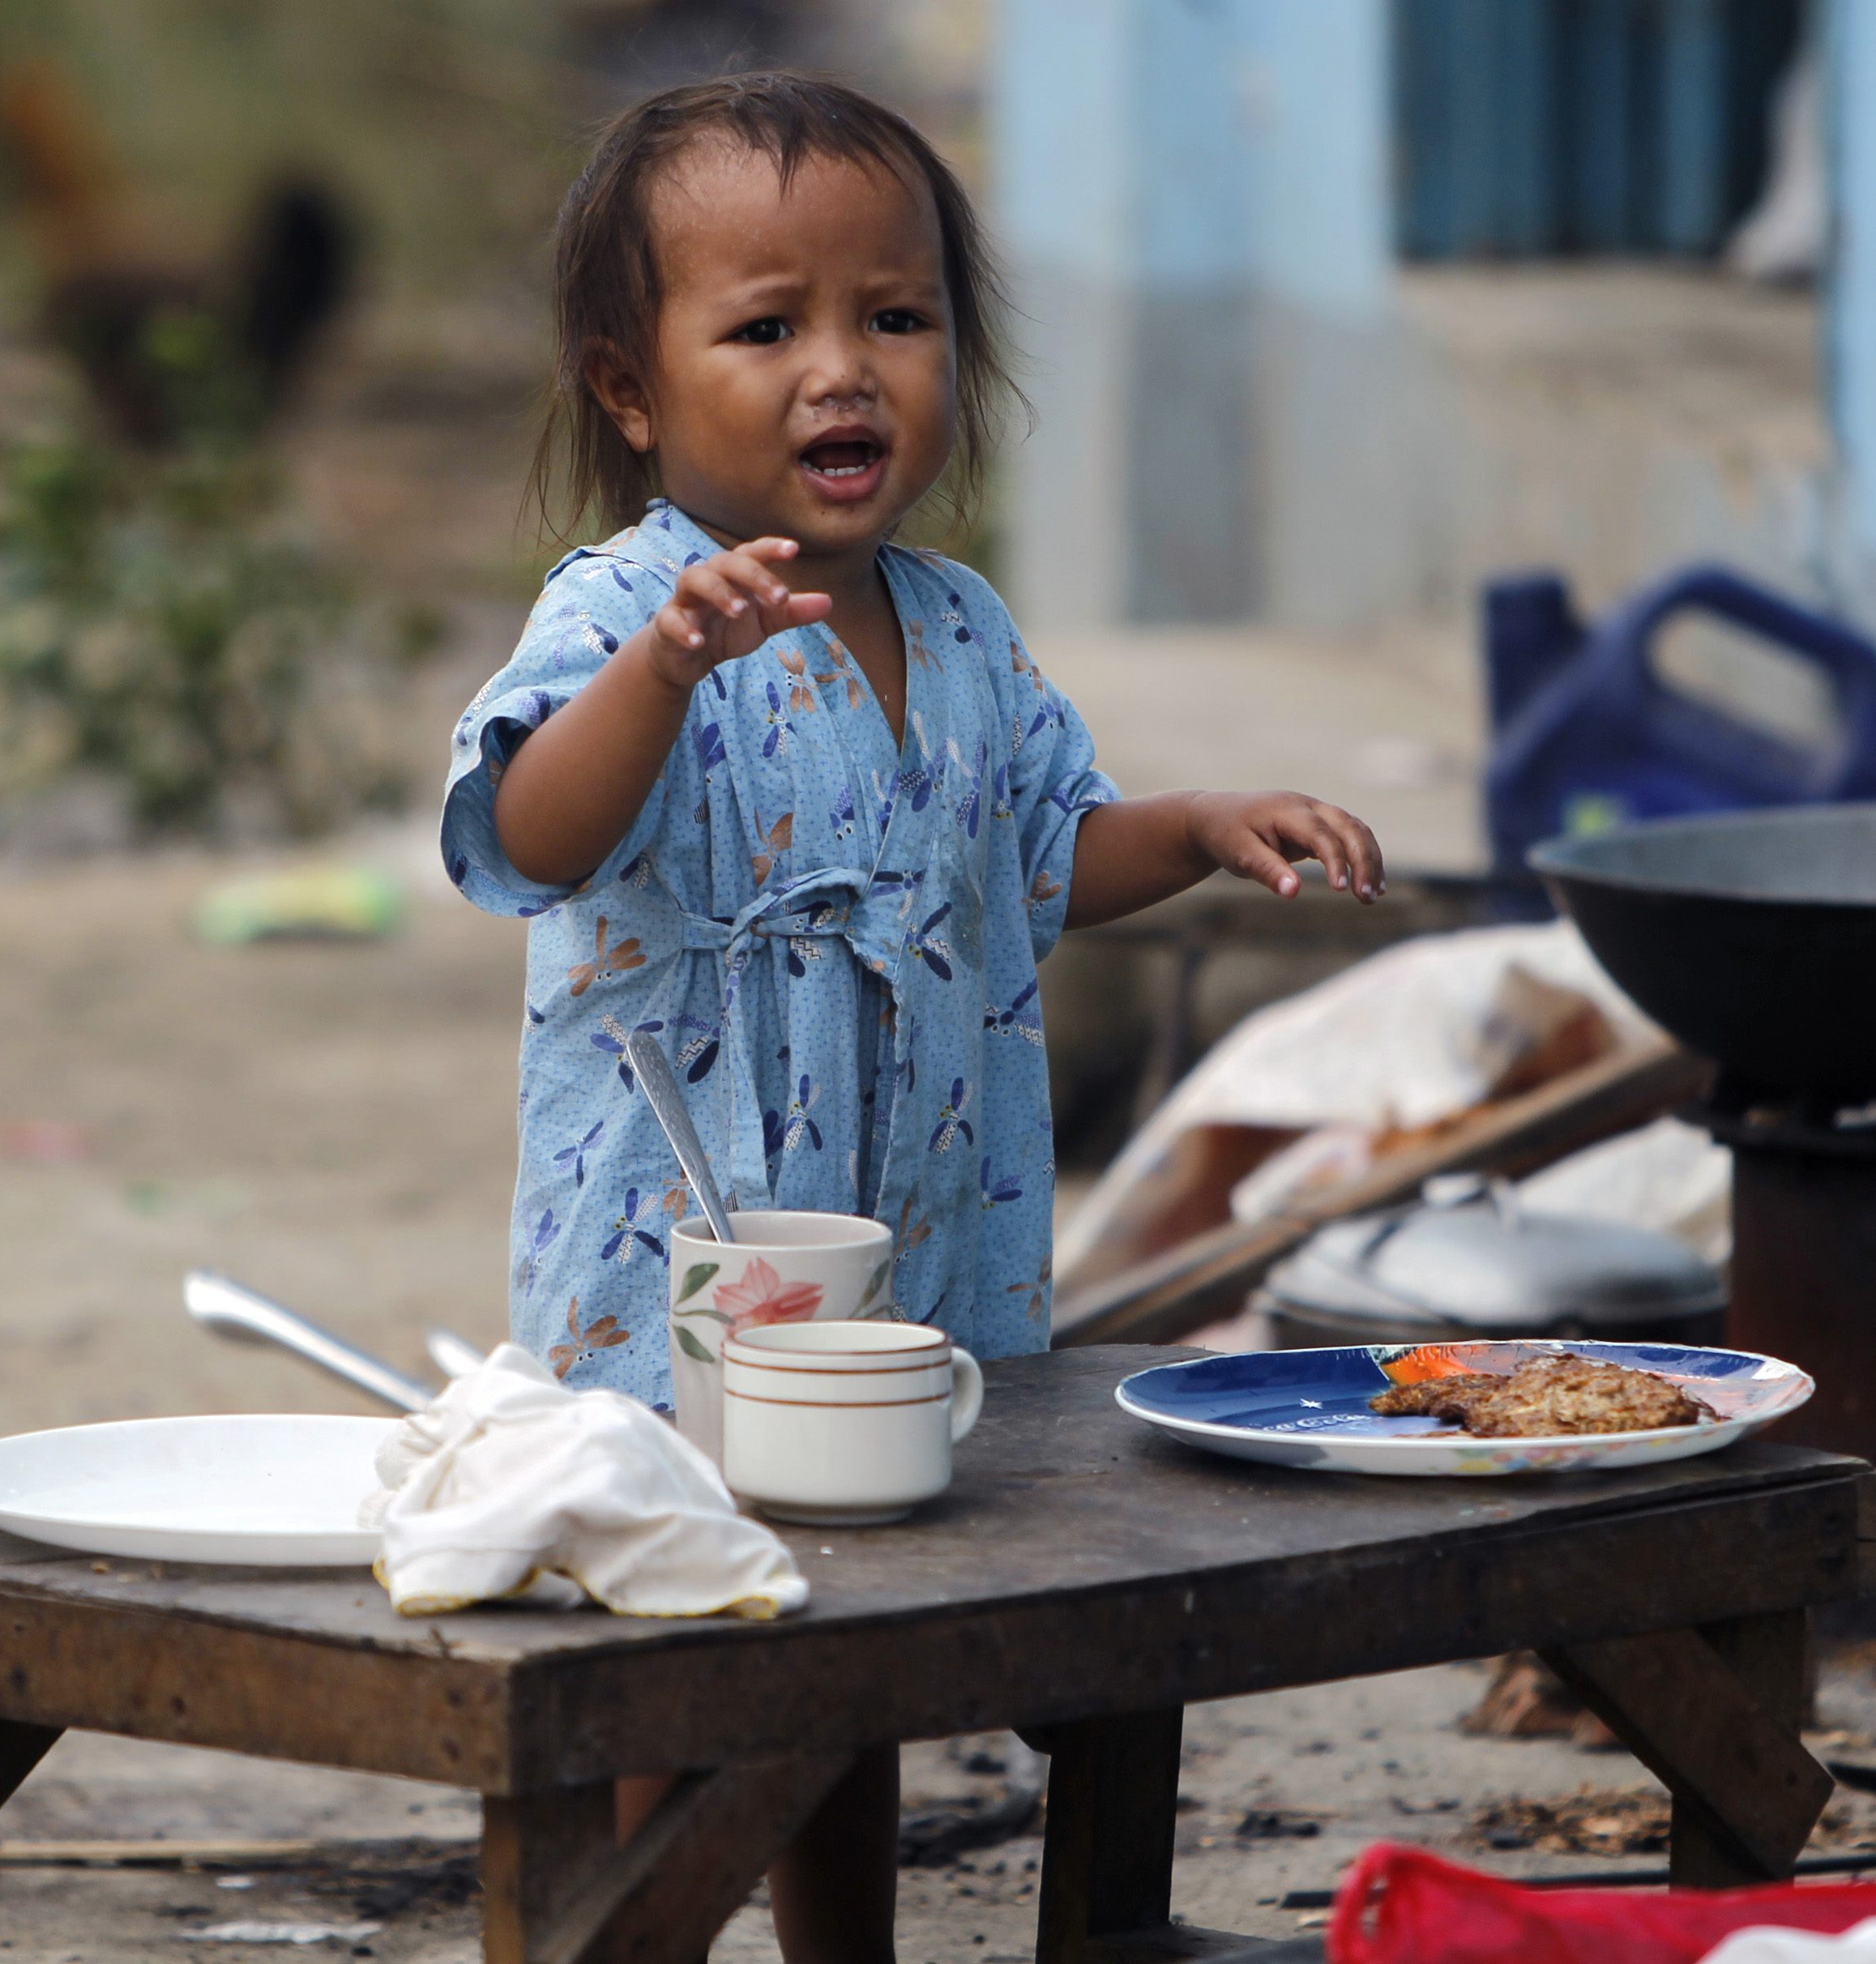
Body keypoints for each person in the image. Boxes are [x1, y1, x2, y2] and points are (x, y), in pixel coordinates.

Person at [438, 70, 1386, 1964]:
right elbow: (531, 833)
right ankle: (646, 1936)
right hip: (692, 1236)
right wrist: (660, 670)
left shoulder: (957, 624)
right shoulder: (627, 605)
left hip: (911, 1229)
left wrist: (1192, 832)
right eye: (766, 326)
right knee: (690, 1623)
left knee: (851, 1638)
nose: (840, 372)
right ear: (634, 392)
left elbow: (1030, 857)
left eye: (894, 317)